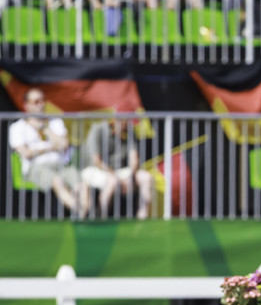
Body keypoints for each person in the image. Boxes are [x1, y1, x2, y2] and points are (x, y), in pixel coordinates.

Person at [8, 89, 91, 217]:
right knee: (57, 181)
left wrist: (45, 130)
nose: (40, 105)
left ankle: (87, 216)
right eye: (36, 101)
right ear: (26, 105)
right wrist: (51, 147)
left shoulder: (55, 122)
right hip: (36, 168)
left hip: (61, 165)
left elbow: (64, 144)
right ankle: (82, 214)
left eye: (42, 101)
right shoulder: (17, 127)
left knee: (82, 184)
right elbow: (27, 153)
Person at [81, 117, 153, 219]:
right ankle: (99, 219)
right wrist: (116, 177)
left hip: (121, 171)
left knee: (146, 177)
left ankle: (142, 222)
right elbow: (96, 161)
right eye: (125, 120)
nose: (128, 123)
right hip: (95, 170)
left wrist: (131, 177)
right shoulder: (98, 129)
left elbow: (134, 159)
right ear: (115, 120)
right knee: (112, 181)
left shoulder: (129, 131)